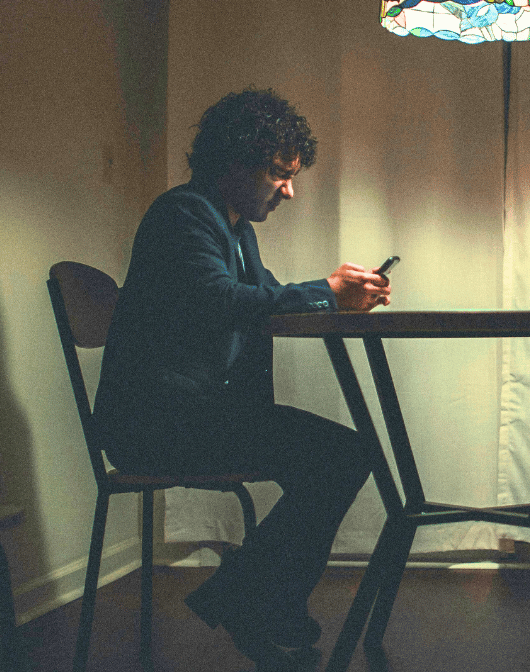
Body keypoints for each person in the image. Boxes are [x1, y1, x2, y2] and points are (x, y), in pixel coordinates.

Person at [93, 87, 390, 670]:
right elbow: (221, 300)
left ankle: (255, 602)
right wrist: (325, 296)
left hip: (191, 415)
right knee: (342, 456)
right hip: (157, 425)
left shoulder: (231, 229)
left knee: (344, 454)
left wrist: (333, 297)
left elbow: (263, 301)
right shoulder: (182, 214)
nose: (289, 190)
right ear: (235, 161)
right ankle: (254, 603)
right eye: (279, 173)